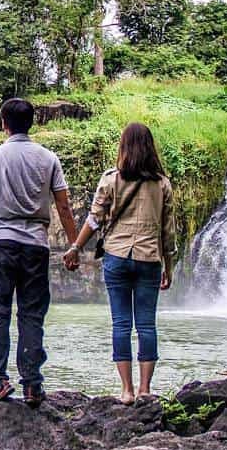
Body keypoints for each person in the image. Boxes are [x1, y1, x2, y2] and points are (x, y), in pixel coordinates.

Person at [0, 98, 80, 408]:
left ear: (4, 124)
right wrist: (73, 245)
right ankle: (31, 385)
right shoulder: (48, 158)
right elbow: (64, 205)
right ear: (33, 122)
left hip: (0, 242)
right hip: (35, 244)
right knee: (31, 313)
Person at [63, 123, 175, 405]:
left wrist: (76, 247)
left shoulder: (111, 179)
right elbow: (168, 231)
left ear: (123, 147)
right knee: (147, 325)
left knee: (121, 324)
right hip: (149, 258)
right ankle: (145, 389)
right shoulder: (162, 184)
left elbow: (94, 218)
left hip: (117, 257)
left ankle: (126, 390)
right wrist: (169, 266)